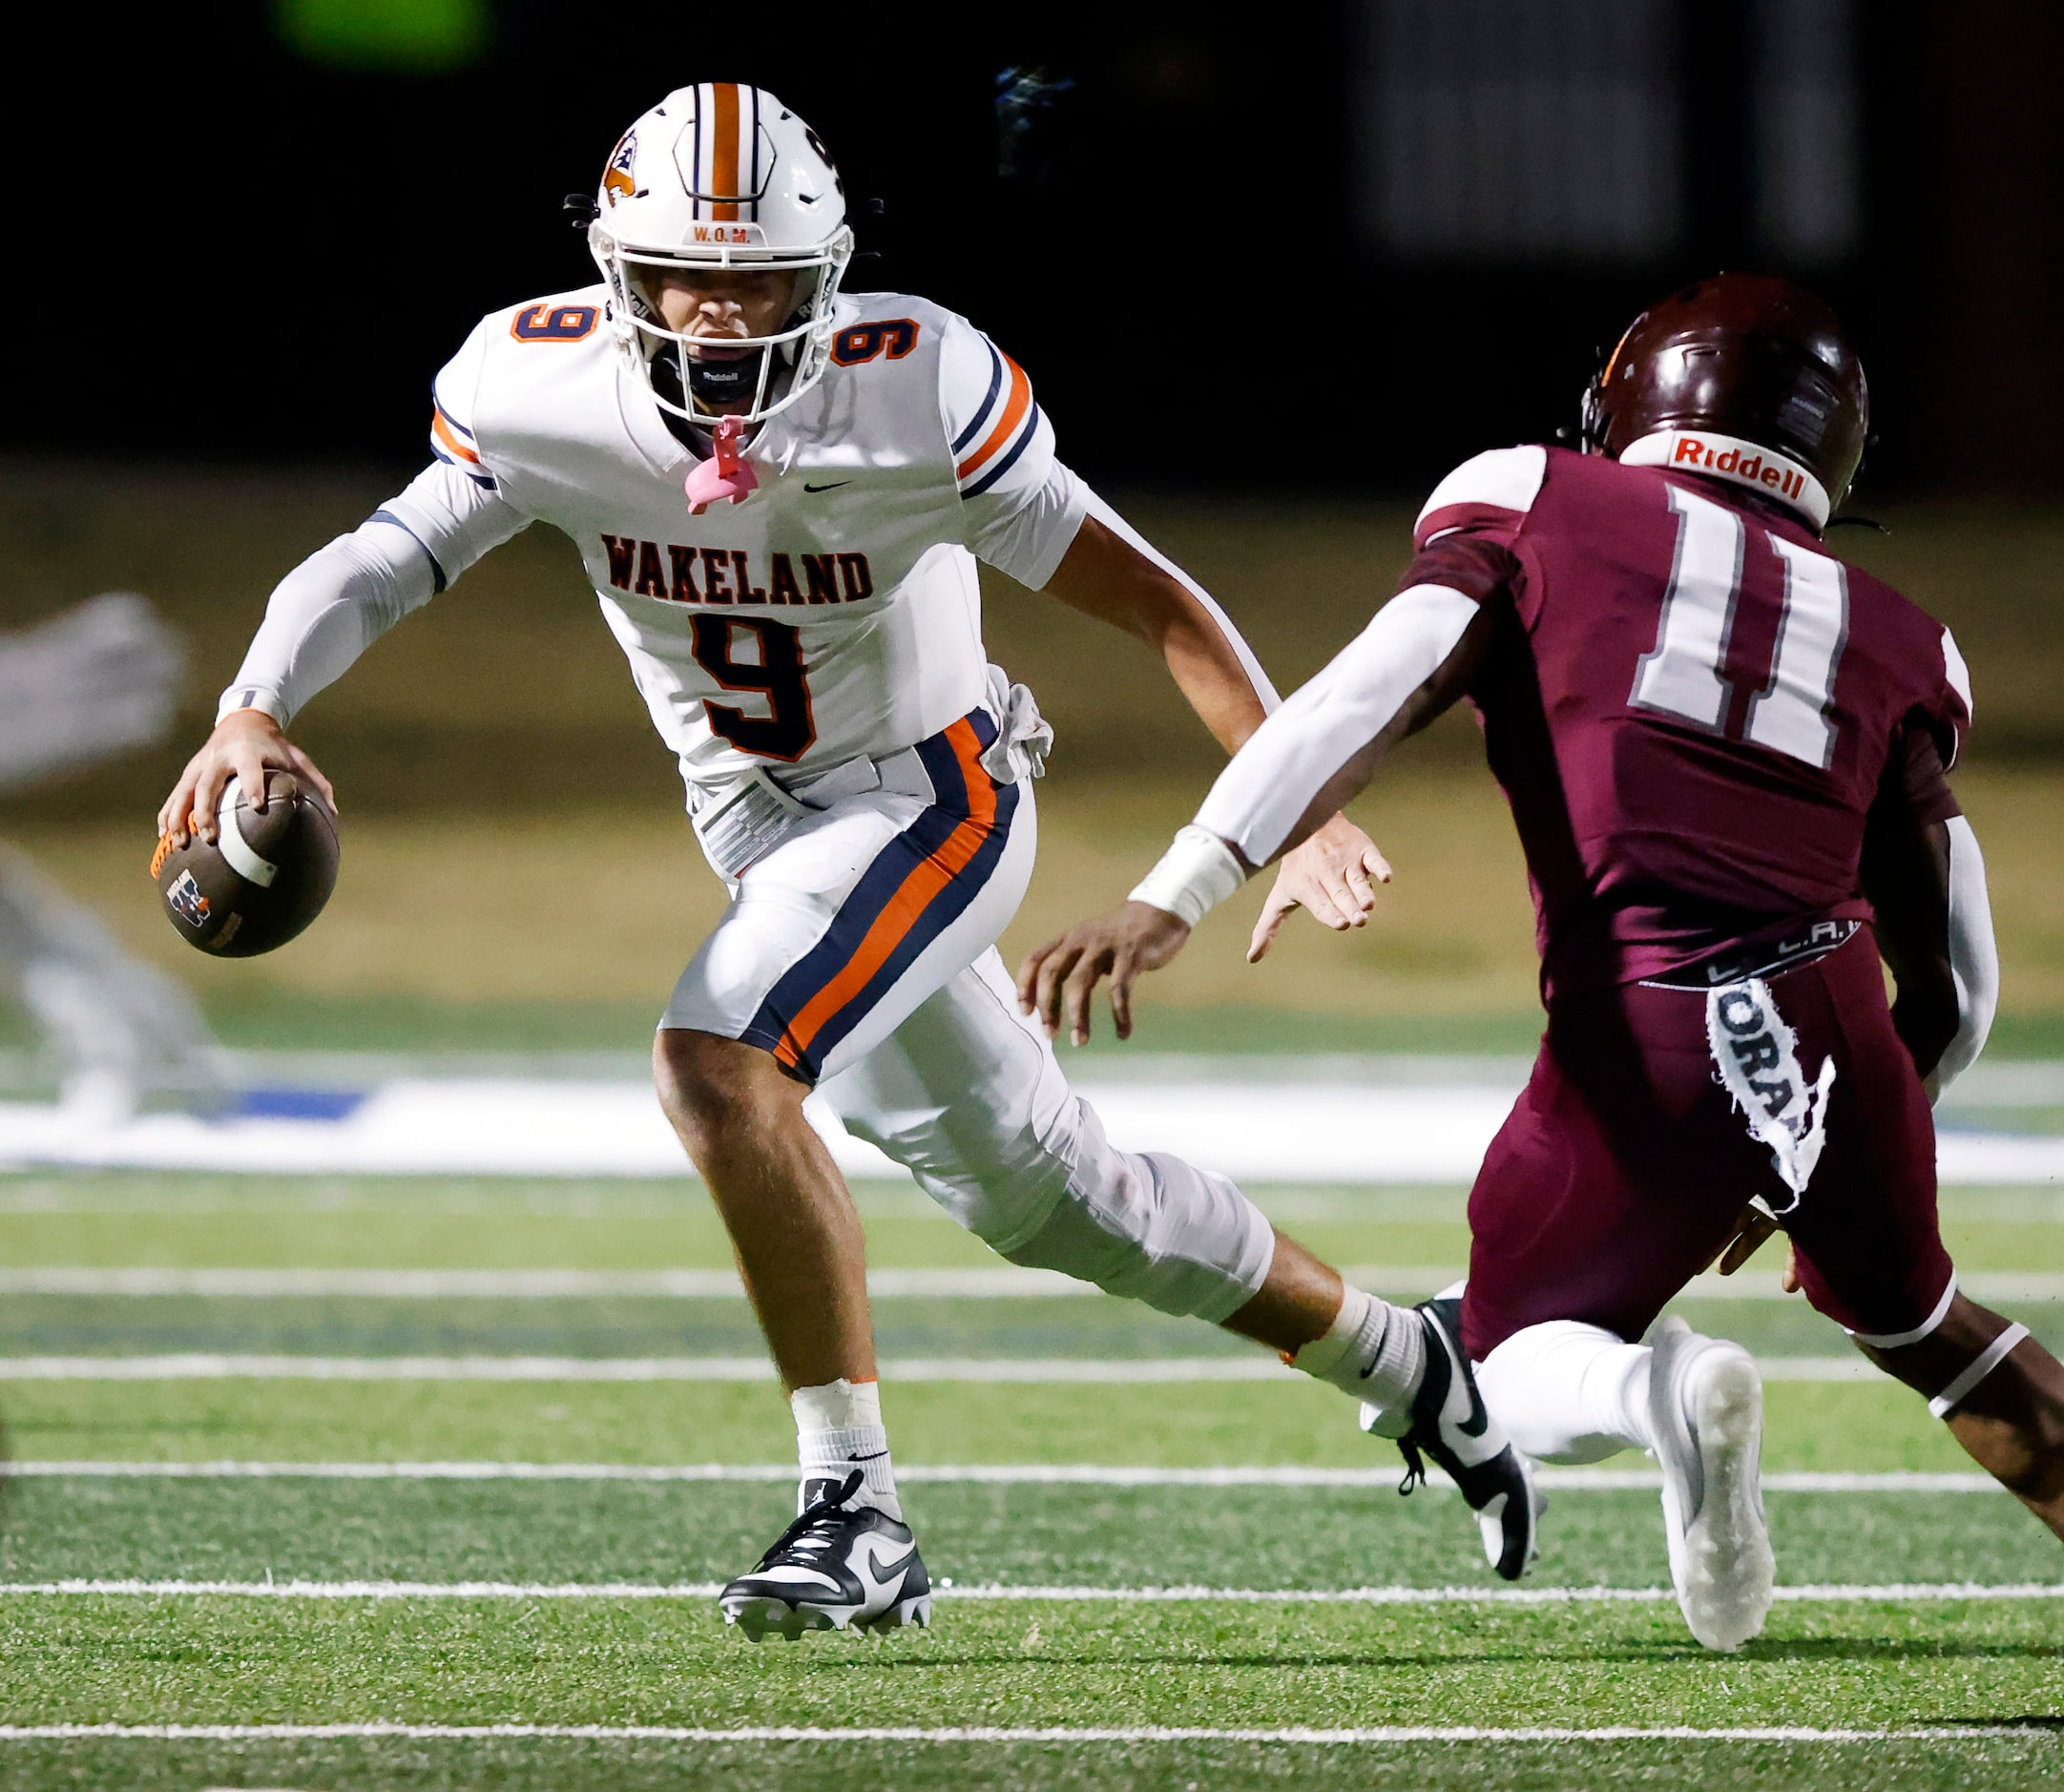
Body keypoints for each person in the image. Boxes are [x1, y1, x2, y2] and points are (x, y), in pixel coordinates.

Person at [154, 84, 1534, 1639]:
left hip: (932, 792)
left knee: (716, 1066)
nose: (729, 313)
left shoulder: (915, 391)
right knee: (1061, 1201)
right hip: (762, 828)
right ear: (622, 274)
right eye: (693, 276)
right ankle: (1411, 1361)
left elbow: (1156, 601)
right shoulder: (537, 388)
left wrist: (1296, 797)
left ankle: (856, 1515)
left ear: (831, 279)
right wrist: (256, 699)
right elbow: (387, 554)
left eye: (764, 281)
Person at [1018, 274, 2064, 1720]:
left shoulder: (1533, 498)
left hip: (1647, 1015)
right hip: (1831, 1016)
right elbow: (1963, 976)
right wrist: (1835, 1125)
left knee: (1499, 1361)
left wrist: (1177, 886)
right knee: (1934, 1327)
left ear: (1634, 398)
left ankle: (1659, 1394)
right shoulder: (1898, 634)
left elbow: (1356, 698)